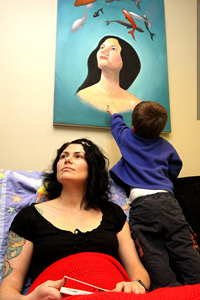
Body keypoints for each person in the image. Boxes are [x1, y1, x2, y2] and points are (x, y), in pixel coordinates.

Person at [0, 138, 150, 300]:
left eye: (78, 156)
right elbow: (7, 290)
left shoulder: (113, 213)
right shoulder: (29, 217)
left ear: (93, 167)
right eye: (63, 156)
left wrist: (137, 285)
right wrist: (30, 299)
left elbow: (136, 268)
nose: (67, 159)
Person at [107, 101, 200, 290]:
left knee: (151, 251)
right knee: (184, 245)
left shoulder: (127, 138)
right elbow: (175, 166)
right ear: (160, 130)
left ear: (133, 127)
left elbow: (117, 126)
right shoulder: (166, 146)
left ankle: (169, 291)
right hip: (168, 201)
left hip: (142, 204)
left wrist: (114, 111)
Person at [76, 35, 141, 112]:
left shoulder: (134, 104)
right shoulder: (82, 96)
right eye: (102, 47)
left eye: (113, 49)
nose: (103, 51)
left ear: (126, 59)